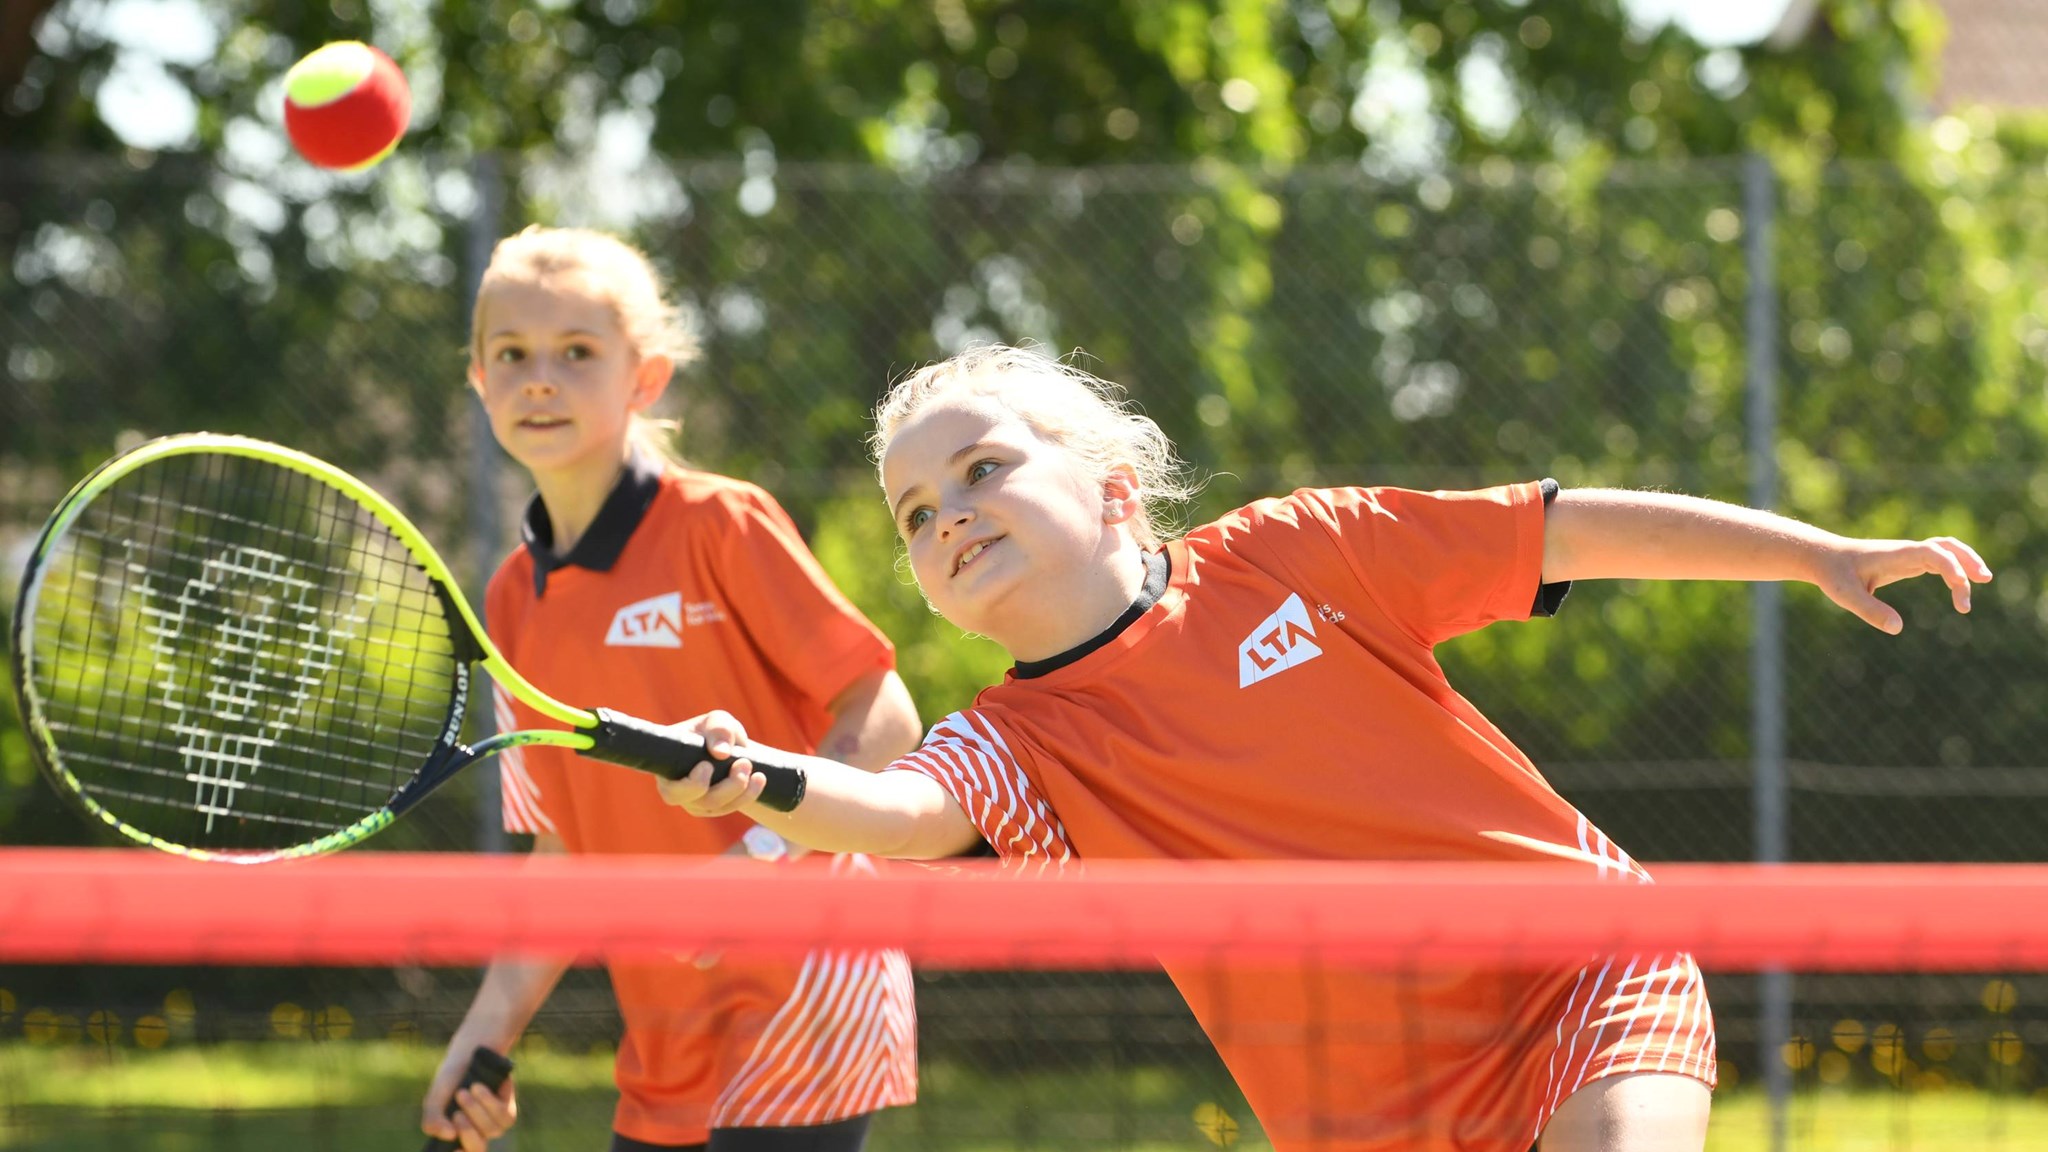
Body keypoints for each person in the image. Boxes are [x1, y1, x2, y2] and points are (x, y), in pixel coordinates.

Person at [654, 343, 1993, 1152]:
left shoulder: (1302, 552)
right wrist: (754, 772)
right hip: (1365, 1115)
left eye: (983, 470)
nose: (946, 514)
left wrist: (1819, 554)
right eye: (914, 513)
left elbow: (1570, 528)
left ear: (1116, 488)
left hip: (1578, 975)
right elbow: (893, 814)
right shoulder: (1014, 744)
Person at [420, 226, 923, 1152]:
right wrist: (482, 1037)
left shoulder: (719, 524)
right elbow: (564, 849)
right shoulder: (510, 599)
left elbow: (886, 716)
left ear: (643, 379)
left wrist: (762, 858)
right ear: (479, 381)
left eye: (578, 353)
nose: (541, 379)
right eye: (513, 355)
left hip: (809, 1004)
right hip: (666, 1041)